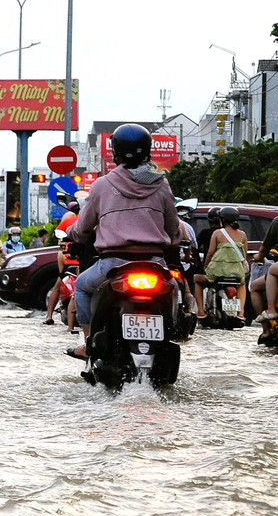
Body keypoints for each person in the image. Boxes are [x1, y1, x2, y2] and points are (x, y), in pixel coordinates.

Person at [68, 124, 180, 360]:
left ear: (115, 153)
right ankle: (172, 335)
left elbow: (83, 228)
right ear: (148, 152)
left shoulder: (100, 185)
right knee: (176, 291)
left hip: (113, 265)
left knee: (81, 287)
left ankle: (89, 345)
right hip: (155, 264)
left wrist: (73, 234)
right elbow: (173, 229)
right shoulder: (161, 185)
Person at [201, 205, 249, 320]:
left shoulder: (218, 233)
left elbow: (210, 253)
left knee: (197, 281)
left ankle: (201, 313)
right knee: (242, 284)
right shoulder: (242, 235)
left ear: (222, 220)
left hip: (218, 271)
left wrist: (206, 267)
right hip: (236, 272)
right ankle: (241, 313)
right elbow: (244, 254)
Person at [249, 215, 278, 322]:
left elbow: (264, 250)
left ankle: (270, 311)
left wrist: (258, 257)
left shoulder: (277, 222)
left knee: (256, 286)